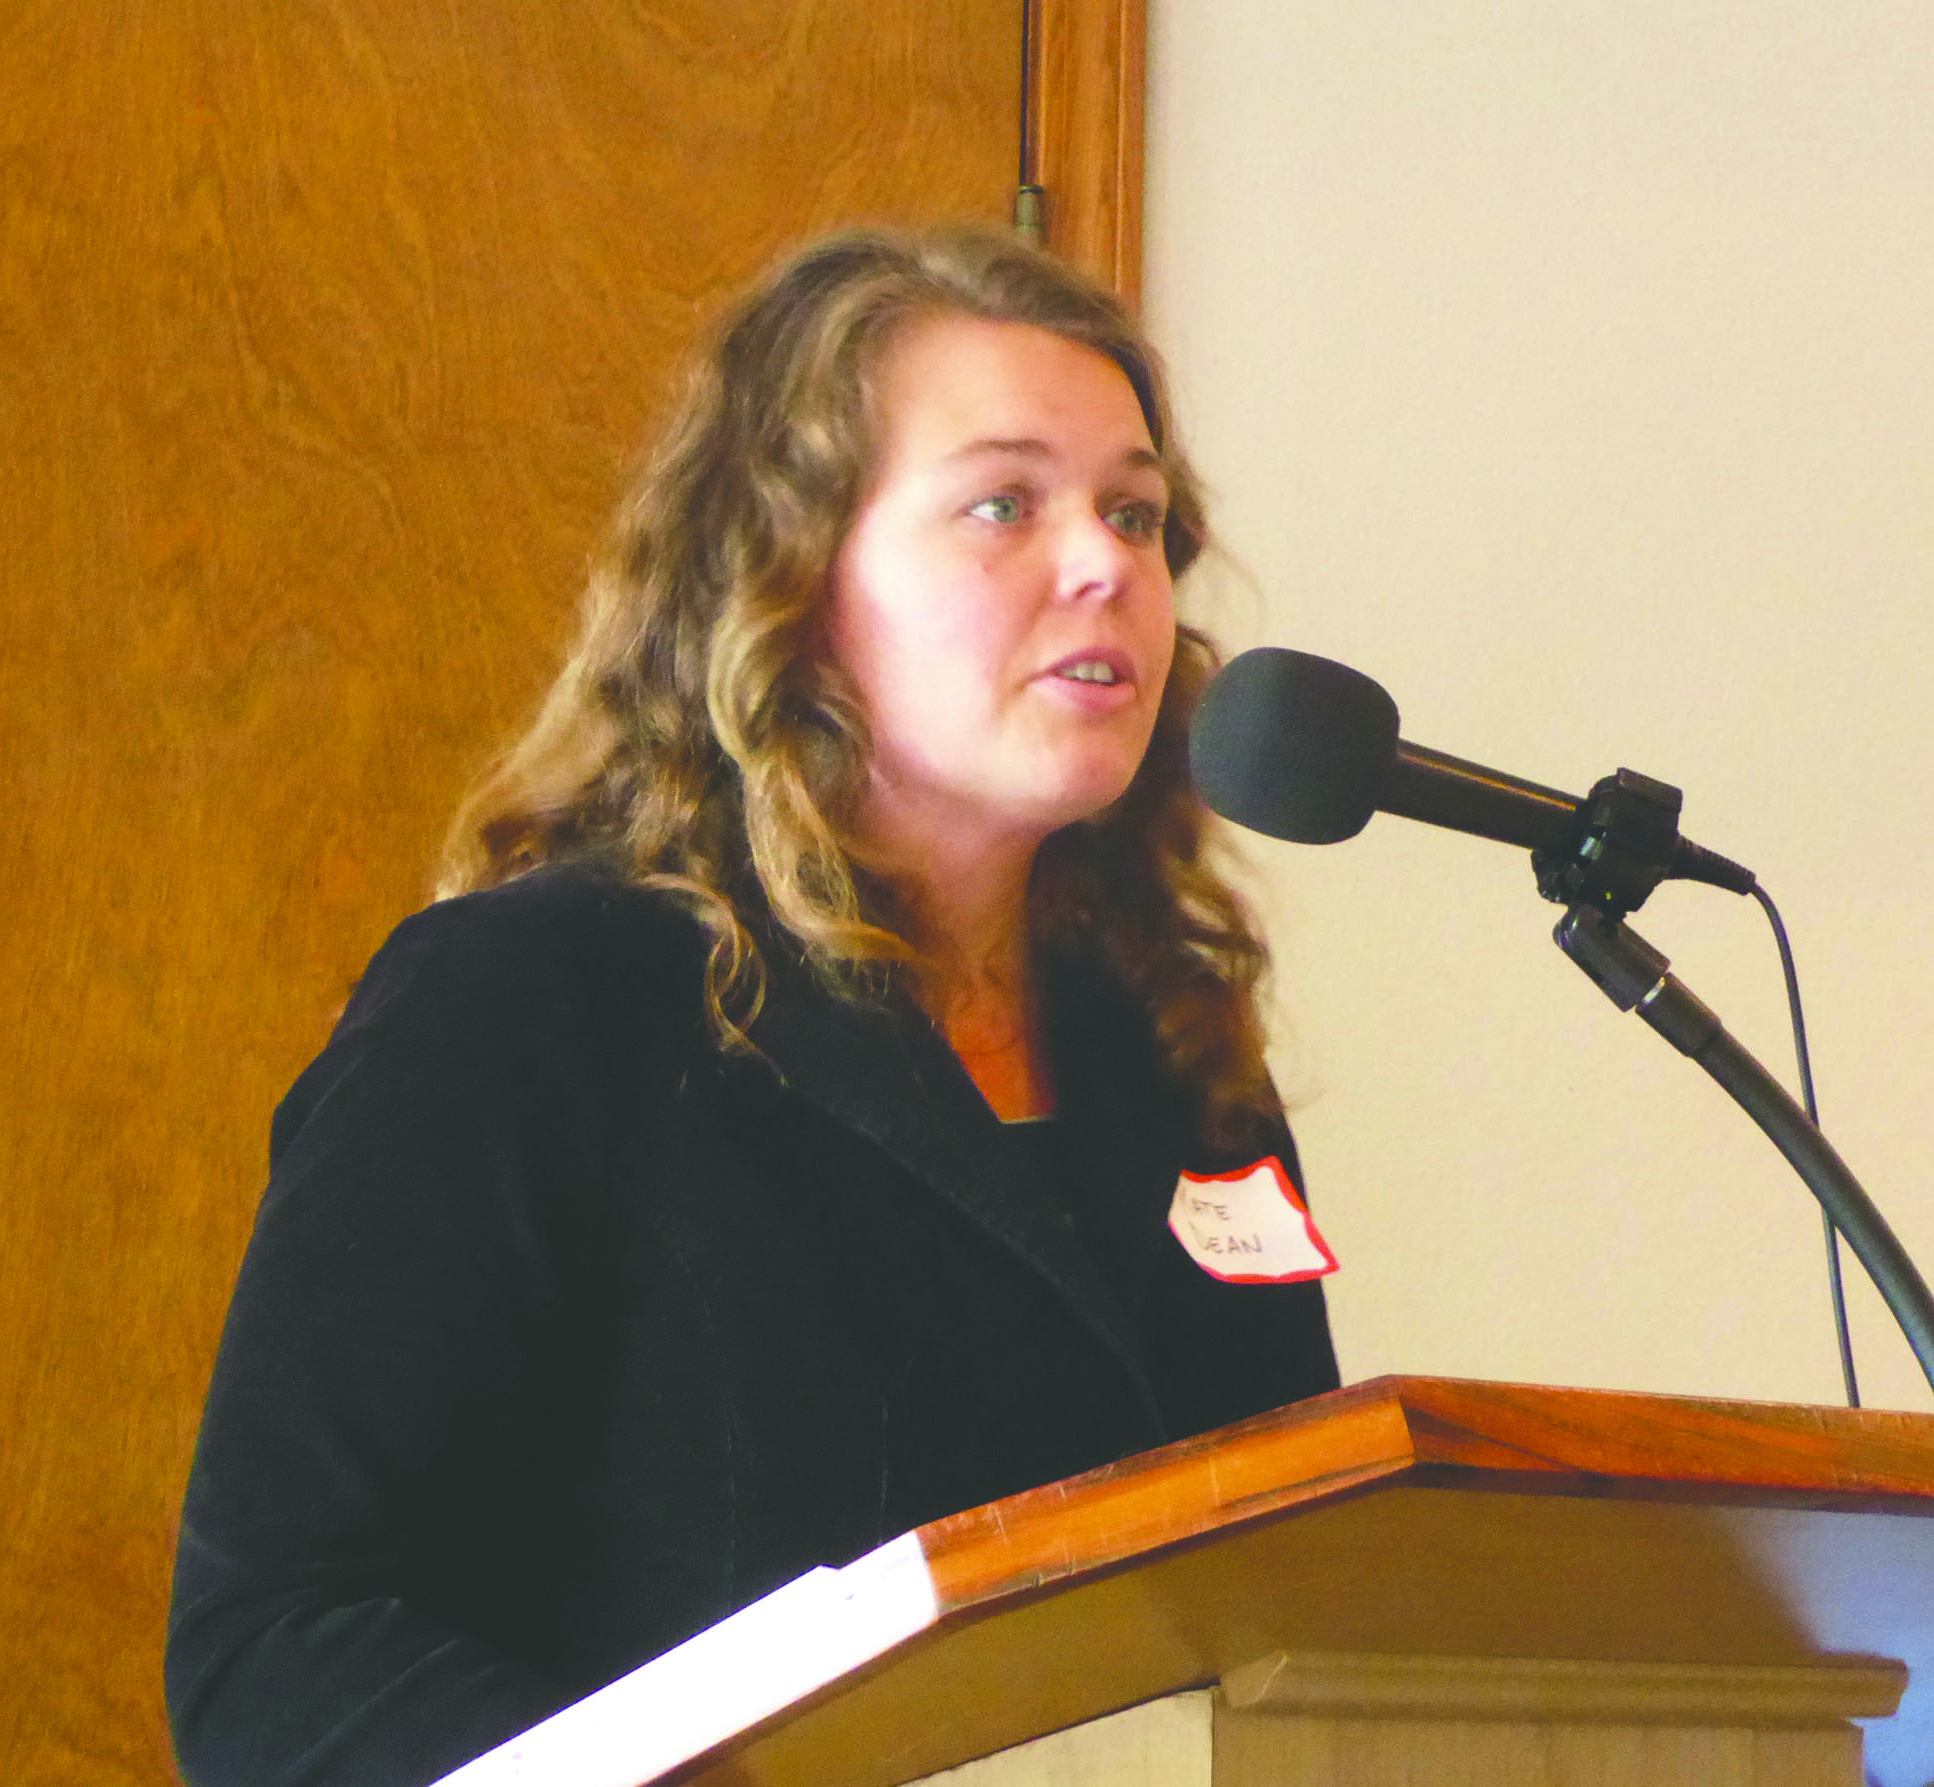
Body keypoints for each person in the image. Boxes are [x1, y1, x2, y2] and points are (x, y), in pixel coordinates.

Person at [165, 226, 1340, 1787]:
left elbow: (1279, 1606)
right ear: (789, 576)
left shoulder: (1175, 1056)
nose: (1106, 564)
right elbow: (282, 1642)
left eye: (1135, 511)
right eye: (1005, 503)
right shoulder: (533, 1002)